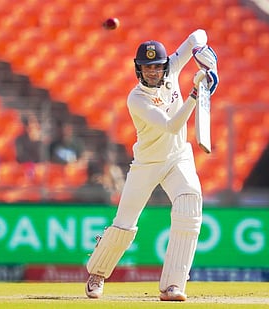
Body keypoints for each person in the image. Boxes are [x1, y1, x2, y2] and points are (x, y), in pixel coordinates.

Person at [84, 29, 219, 302]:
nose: (154, 73)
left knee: (190, 206)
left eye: (158, 67)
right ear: (139, 70)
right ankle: (97, 273)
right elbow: (171, 126)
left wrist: (204, 56)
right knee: (124, 225)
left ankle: (173, 286)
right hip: (147, 163)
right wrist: (195, 92)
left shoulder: (172, 68)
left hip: (178, 157)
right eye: (148, 68)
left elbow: (197, 35)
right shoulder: (136, 99)